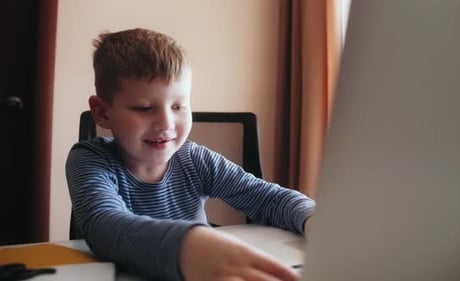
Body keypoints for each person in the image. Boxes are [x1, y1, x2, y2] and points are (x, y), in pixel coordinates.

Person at [66, 27, 315, 281]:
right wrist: (187, 245)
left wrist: (313, 218)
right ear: (102, 113)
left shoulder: (196, 160)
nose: (166, 123)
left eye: (179, 106)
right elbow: (104, 225)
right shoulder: (89, 160)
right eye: (144, 108)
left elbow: (268, 199)